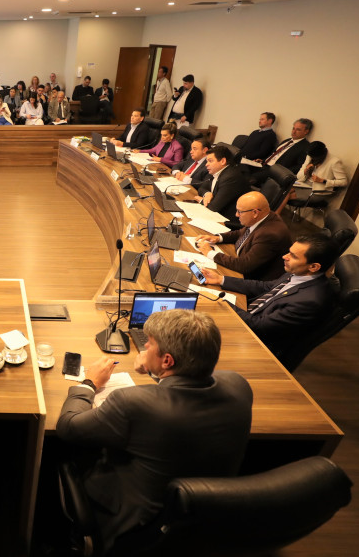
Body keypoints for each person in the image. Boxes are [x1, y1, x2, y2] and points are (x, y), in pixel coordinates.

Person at [56, 309, 252, 553]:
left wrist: (90, 383)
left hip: (139, 526)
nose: (144, 346)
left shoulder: (132, 402)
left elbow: (68, 426)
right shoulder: (238, 386)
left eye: (148, 344)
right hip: (205, 518)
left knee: (65, 451)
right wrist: (155, 369)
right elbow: (188, 385)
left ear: (167, 360)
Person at [201, 234, 339, 368]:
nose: (284, 256)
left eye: (293, 256)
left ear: (314, 267)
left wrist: (220, 302)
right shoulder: (299, 273)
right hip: (249, 317)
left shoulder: (310, 301)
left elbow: (259, 326)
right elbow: (265, 287)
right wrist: (221, 280)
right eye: (289, 252)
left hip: (253, 344)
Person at [195, 191, 292, 280]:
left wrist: (210, 253)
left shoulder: (270, 234)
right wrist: (218, 238)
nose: (236, 215)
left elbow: (244, 265)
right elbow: (241, 233)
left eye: (240, 211)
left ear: (255, 213)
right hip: (238, 260)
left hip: (251, 280)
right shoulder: (263, 217)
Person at [194, 144, 250, 221]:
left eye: (210, 161)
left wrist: (201, 200)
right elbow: (202, 187)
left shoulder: (231, 177)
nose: (206, 164)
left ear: (223, 161)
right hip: (214, 214)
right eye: (207, 161)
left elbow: (214, 207)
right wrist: (207, 193)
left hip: (226, 220)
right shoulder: (215, 171)